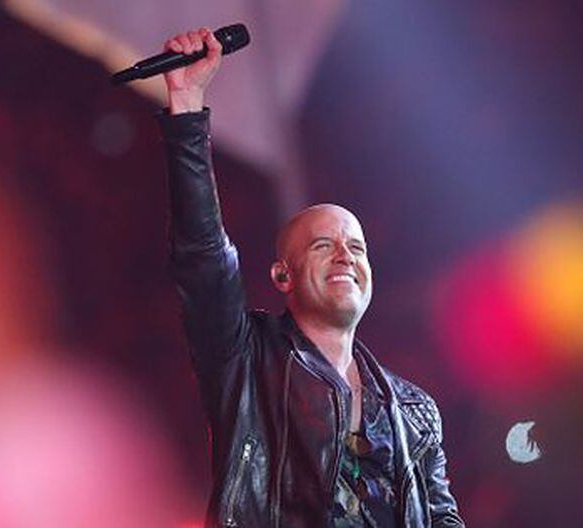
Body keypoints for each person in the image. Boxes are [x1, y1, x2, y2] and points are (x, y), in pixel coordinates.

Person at [157, 27, 464, 528]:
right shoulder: (247, 359)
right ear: (283, 274)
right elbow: (203, 256)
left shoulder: (415, 410)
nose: (345, 256)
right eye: (324, 246)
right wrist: (187, 107)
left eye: (356, 248)